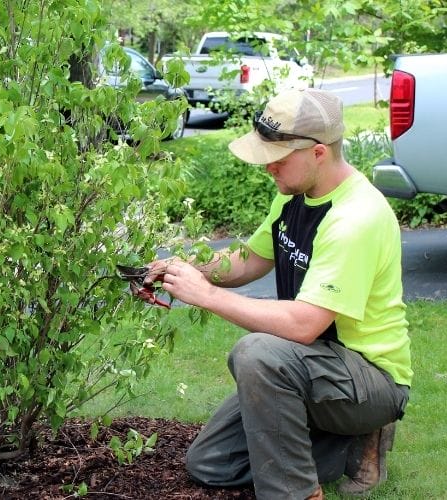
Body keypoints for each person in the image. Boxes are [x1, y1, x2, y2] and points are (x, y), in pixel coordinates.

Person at [143, 88, 411, 499]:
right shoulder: (296, 196)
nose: (269, 168)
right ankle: (349, 441)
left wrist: (208, 297)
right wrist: (182, 269)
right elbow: (249, 260)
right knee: (210, 464)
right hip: (312, 368)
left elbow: (304, 326)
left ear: (319, 153)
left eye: (278, 159)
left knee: (259, 354)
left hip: (369, 377)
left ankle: (301, 490)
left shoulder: (355, 219)